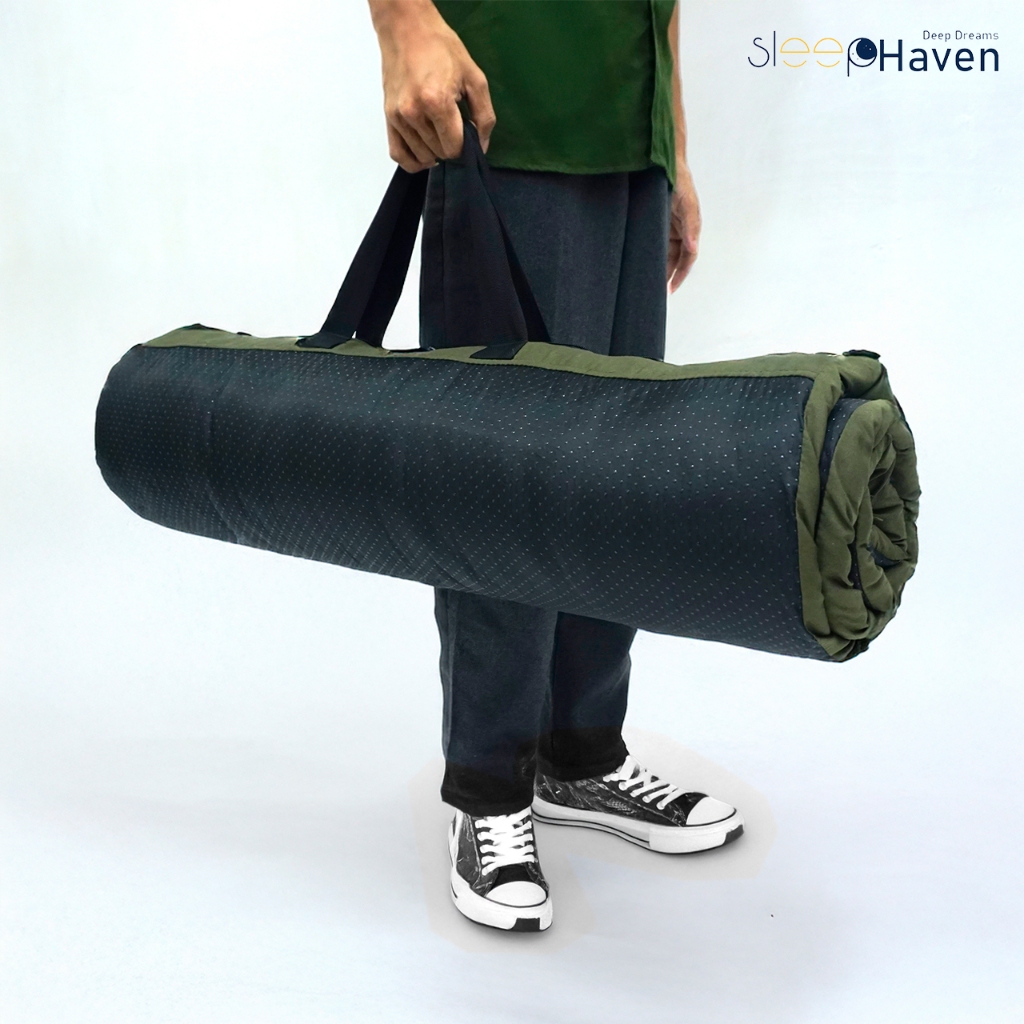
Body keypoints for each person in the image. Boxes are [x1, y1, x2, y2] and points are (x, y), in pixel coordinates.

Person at [367, 0, 743, 933]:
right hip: (510, 112)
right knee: (505, 475)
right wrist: (403, 23)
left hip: (630, 131)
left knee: (616, 476)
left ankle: (580, 755)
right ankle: (489, 789)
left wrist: (673, 150)